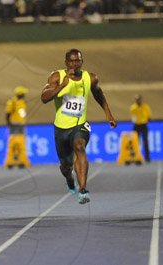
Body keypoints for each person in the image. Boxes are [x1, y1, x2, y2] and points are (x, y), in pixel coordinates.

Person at [41, 49, 117, 205]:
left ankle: (83, 190)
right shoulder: (57, 76)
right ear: (66, 62)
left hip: (80, 125)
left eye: (78, 61)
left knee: (80, 147)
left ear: (82, 62)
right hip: (61, 128)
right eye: (72, 61)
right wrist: (62, 86)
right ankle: (69, 179)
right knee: (66, 166)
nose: (75, 64)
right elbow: (44, 98)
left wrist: (108, 114)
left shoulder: (91, 78)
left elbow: (98, 93)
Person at [129, 94, 152, 162]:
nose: (138, 101)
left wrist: (145, 119)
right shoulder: (133, 107)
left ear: (141, 100)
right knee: (135, 142)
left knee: (145, 141)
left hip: (144, 125)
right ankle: (135, 157)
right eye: (136, 99)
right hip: (136, 126)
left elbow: (149, 117)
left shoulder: (146, 107)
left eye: (139, 99)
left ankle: (147, 157)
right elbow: (133, 117)